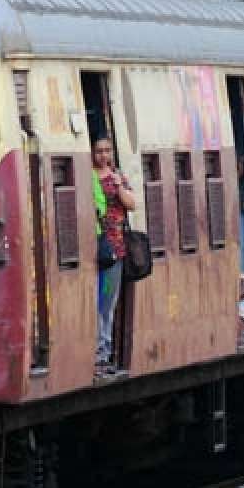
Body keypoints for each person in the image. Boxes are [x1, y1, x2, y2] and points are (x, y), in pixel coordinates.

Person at [92, 133, 136, 374]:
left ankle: (103, 351)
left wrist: (118, 185)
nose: (104, 156)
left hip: (113, 252)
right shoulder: (87, 177)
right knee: (95, 301)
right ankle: (98, 350)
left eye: (107, 150)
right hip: (92, 249)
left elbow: (131, 203)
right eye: (99, 151)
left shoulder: (117, 177)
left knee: (106, 301)